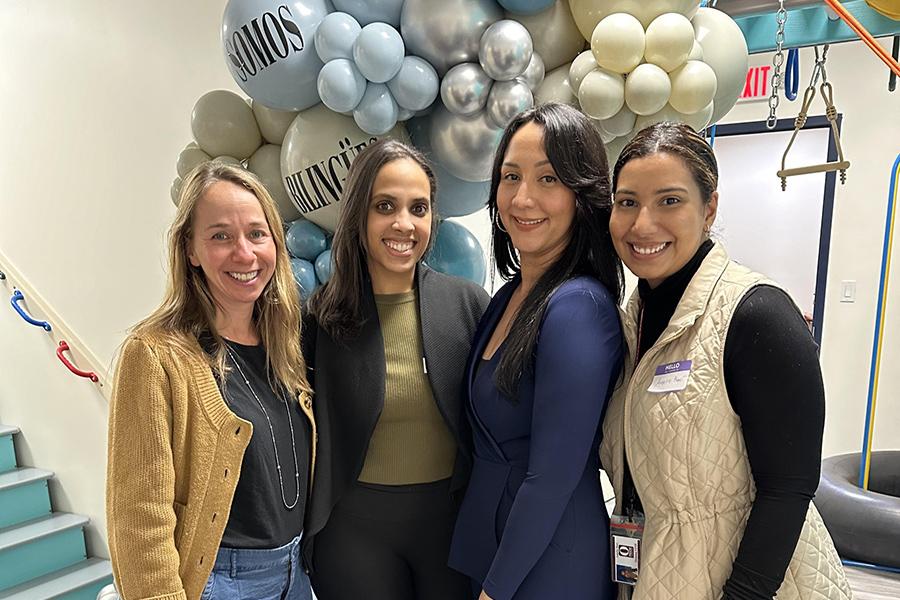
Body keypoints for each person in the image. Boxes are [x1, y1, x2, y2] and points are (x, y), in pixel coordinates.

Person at [600, 122, 852, 599]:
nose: (642, 224)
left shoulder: (756, 314)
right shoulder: (631, 324)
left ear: (709, 208)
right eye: (627, 202)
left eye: (669, 200)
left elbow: (788, 488)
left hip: (751, 582)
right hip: (659, 573)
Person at [106, 162, 315, 600]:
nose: (245, 253)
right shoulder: (155, 356)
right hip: (220, 583)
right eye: (221, 236)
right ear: (191, 249)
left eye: (257, 234)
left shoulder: (290, 345)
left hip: (296, 575)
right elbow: (139, 518)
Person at [448, 102, 624, 600]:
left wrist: (495, 592)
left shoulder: (579, 308)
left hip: (547, 562)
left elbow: (551, 479)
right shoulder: (509, 296)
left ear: (581, 194)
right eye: (511, 177)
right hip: (496, 546)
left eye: (548, 179)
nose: (523, 198)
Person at [302, 139, 490, 600]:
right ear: (358, 215)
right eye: (384, 206)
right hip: (353, 536)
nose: (404, 223)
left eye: (418, 208)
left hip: (450, 530)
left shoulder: (468, 305)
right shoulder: (319, 320)